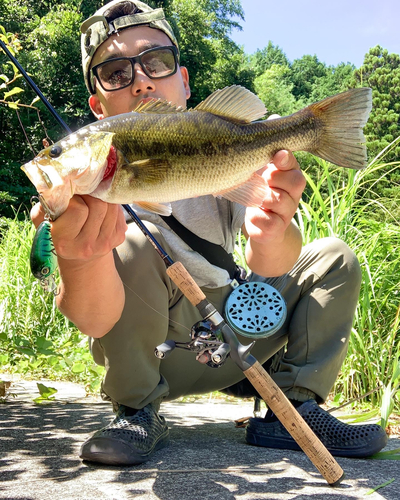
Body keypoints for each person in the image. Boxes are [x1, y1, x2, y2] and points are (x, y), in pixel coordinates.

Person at [32, 0, 387, 465]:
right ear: (98, 110)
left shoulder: (222, 153)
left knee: (333, 254)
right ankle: (137, 410)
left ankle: (292, 408)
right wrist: (79, 258)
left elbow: (271, 265)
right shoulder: (80, 204)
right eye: (116, 72)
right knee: (128, 241)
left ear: (183, 80)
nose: (140, 79)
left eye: (156, 62)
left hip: (240, 341)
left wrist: (270, 235)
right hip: (164, 357)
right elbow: (93, 321)